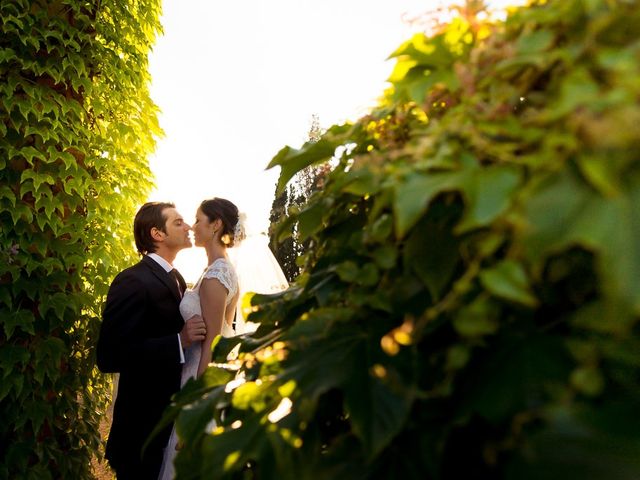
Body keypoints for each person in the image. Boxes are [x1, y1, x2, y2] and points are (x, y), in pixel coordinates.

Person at [96, 202, 207, 480]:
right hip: (141, 431)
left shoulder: (177, 278)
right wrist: (178, 342)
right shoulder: (132, 280)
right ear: (157, 233)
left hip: (170, 425)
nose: (189, 226)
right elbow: (109, 355)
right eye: (179, 222)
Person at [158, 197, 245, 480]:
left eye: (198, 220)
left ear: (216, 224)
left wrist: (197, 405)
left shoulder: (217, 274)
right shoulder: (214, 269)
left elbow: (213, 341)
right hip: (194, 372)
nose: (193, 227)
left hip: (200, 376)